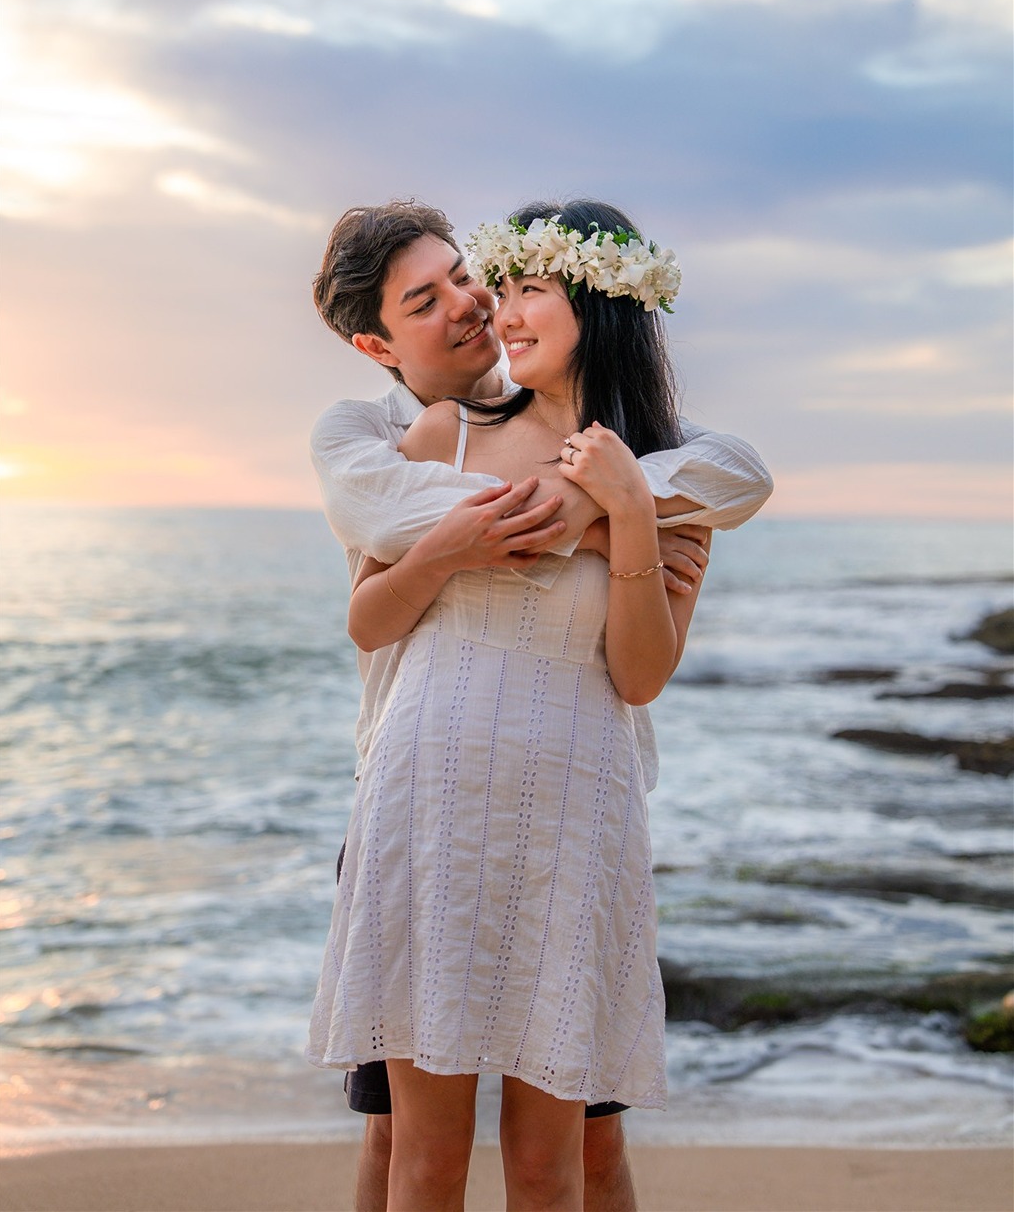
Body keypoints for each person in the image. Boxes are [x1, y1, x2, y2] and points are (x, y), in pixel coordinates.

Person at [307, 199, 772, 1212]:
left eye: (524, 288)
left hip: (573, 819)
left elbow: (641, 674)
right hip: (428, 802)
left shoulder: (660, 481)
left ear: (600, 309)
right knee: (419, 1157)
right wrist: (575, 521)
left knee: (548, 1165)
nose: (496, 311)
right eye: (495, 287)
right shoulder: (439, 433)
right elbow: (372, 611)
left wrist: (631, 513)